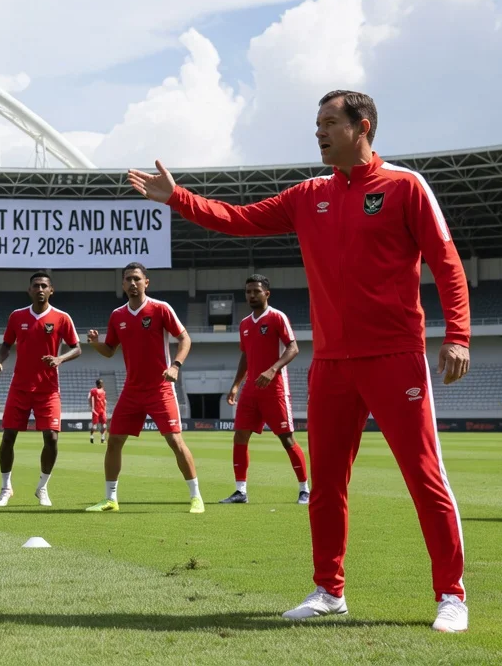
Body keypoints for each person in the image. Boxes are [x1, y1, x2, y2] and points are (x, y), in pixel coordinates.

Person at [130, 90, 471, 632]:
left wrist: (459, 334)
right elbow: (238, 218)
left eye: (330, 122)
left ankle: (451, 595)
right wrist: (179, 199)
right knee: (328, 483)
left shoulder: (405, 186)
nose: (319, 131)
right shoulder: (308, 195)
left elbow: (446, 261)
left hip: (396, 358)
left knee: (424, 476)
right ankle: (328, 591)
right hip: (331, 364)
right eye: (317, 123)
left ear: (363, 127)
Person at [84, 263, 203, 515]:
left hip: (160, 387)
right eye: (128, 279)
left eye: (137, 278)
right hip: (132, 389)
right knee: (114, 441)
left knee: (174, 440)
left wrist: (176, 366)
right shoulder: (117, 315)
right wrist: (95, 344)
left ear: (146, 282)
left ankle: (196, 497)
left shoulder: (160, 309)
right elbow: (109, 351)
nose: (133, 283)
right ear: (123, 285)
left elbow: (185, 338)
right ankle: (110, 499)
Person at [0, 272, 81, 507]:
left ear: (51, 290)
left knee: (51, 438)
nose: (40, 289)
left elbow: (77, 348)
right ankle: (5, 487)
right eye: (36, 285)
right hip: (19, 387)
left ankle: (42, 487)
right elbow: (6, 344)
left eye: (44, 285)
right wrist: (0, 361)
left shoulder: (62, 318)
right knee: (8, 436)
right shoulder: (17, 316)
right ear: (29, 290)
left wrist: (60, 359)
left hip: (48, 389)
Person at [220, 274, 307, 506]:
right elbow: (246, 356)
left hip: (275, 389)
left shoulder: (277, 317)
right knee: (239, 436)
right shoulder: (245, 324)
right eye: (248, 292)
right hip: (250, 391)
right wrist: (236, 385)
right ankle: (240, 491)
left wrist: (272, 370)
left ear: (266, 293)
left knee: (287, 439)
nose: (251, 295)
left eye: (256, 291)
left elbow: (294, 348)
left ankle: (304, 490)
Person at [88, 379, 108, 444]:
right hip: (96, 410)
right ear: (98, 384)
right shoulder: (93, 391)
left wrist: (105, 408)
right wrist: (91, 406)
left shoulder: (103, 391)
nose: (102, 384)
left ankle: (102, 438)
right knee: (94, 427)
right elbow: (89, 398)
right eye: (101, 383)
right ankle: (91, 436)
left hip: (102, 410)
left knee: (104, 425)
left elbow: (104, 400)